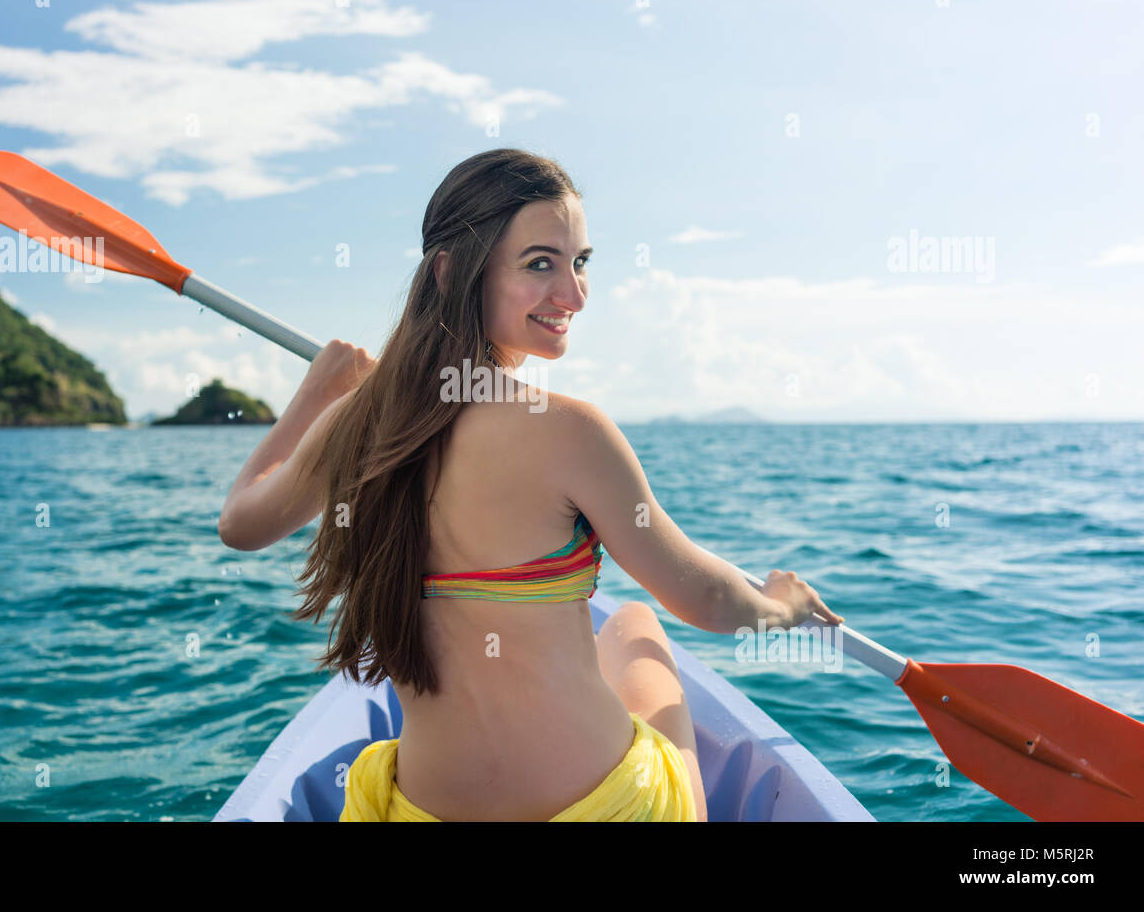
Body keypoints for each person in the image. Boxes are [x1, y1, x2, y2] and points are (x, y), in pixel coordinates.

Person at [217, 149, 844, 821]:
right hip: (602, 812)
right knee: (635, 622)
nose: (573, 294)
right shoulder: (572, 431)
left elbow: (240, 523)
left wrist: (314, 399)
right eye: (540, 263)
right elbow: (710, 599)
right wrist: (783, 606)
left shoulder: (353, 424)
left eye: (580, 263)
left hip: (418, 813)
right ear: (452, 270)